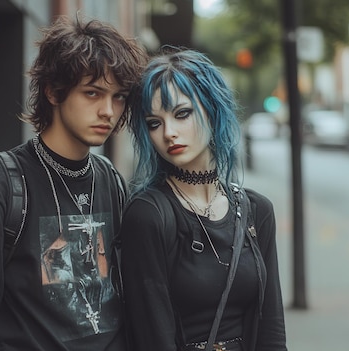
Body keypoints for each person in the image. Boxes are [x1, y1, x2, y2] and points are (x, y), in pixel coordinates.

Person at [0, 16, 147, 350]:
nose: (108, 110)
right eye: (92, 93)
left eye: (119, 97)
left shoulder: (111, 181)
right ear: (52, 90)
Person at [119, 47, 287, 351]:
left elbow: (271, 328)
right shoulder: (148, 216)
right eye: (154, 123)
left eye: (182, 114)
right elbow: (151, 337)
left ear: (211, 109)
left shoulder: (256, 211)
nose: (169, 132)